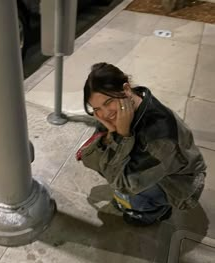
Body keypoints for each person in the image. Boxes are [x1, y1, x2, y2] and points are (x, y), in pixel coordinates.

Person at [76, 62, 206, 226]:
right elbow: (91, 161)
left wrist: (121, 136)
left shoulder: (159, 136)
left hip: (179, 184)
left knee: (132, 196)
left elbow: (122, 184)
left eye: (108, 102)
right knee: (115, 171)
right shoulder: (123, 107)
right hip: (156, 169)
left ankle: (156, 212)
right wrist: (112, 134)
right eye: (97, 108)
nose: (105, 113)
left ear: (126, 89)